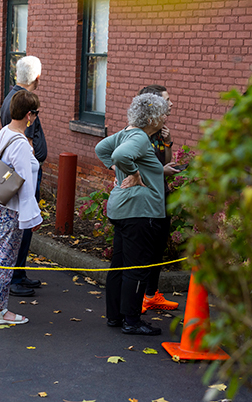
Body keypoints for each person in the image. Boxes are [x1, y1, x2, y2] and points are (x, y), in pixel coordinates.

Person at [95, 93, 169, 336]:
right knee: (137, 267)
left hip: (122, 208)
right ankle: (132, 320)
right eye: (163, 113)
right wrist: (134, 173)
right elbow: (119, 156)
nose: (166, 117)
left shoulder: (127, 132)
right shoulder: (138, 137)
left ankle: (116, 316)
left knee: (119, 265)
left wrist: (121, 170)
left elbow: (101, 148)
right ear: (153, 118)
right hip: (140, 211)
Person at [0, 90, 42, 325]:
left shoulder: (6, 132)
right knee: (5, 259)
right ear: (28, 114)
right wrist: (32, 218)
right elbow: (25, 184)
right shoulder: (22, 144)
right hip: (11, 208)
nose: (35, 117)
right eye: (35, 113)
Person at [0, 55, 46, 296]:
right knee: (21, 227)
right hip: (24, 177)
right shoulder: (24, 103)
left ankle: (19, 272)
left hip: (20, 175)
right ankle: (15, 276)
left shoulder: (13, 97)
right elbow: (25, 149)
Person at [136, 84, 180, 312]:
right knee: (146, 250)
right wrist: (162, 172)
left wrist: (169, 142)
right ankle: (140, 297)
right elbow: (129, 167)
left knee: (159, 247)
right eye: (167, 100)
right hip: (146, 200)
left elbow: (164, 163)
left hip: (162, 196)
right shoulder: (139, 134)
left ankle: (151, 294)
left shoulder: (159, 132)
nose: (171, 104)